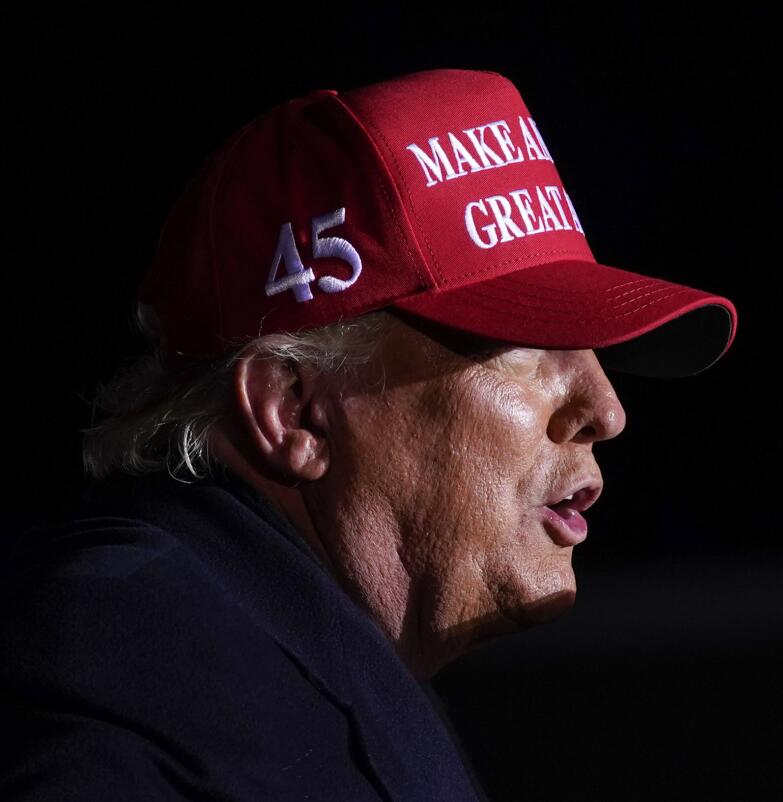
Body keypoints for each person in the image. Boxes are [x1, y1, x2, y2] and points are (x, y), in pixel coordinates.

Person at [0, 68, 737, 800]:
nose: (606, 408)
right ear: (294, 409)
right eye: (521, 342)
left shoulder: (257, 657)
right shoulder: (126, 654)